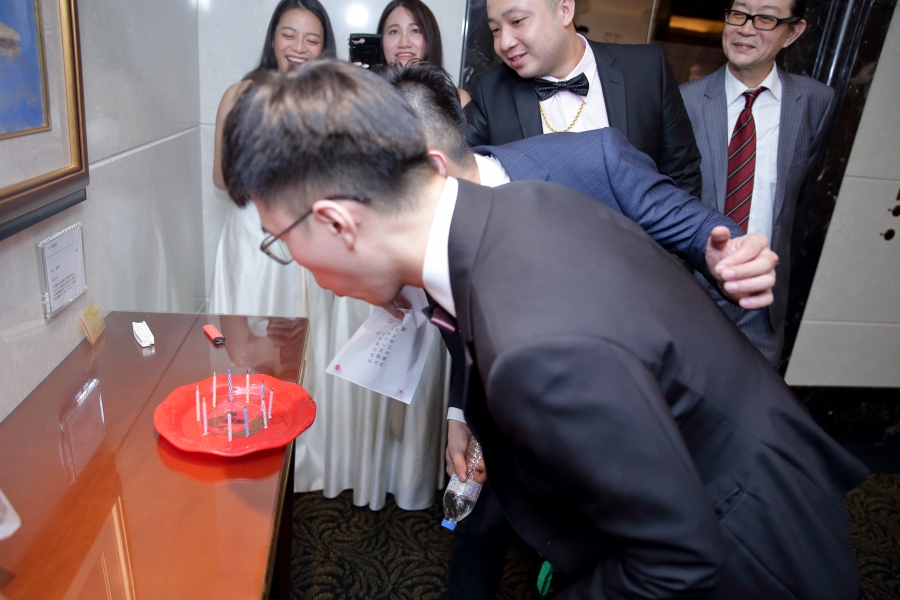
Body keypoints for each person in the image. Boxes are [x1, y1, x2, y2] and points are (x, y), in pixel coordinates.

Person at [221, 60, 866, 600]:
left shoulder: (535, 347)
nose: (296, 263)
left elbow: (676, 561)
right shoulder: (523, 202)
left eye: (282, 241)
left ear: (337, 223)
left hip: (753, 554)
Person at [382, 60, 779, 599]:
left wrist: (727, 255)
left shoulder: (594, 160)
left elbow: (696, 229)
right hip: (512, 427)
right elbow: (466, 337)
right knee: (480, 533)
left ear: (431, 169)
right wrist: (460, 414)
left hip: (621, 432)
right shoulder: (426, 237)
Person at [209, 1, 447, 510]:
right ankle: (250, 452)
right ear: (273, 37)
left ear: (325, 47)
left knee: (310, 350)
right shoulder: (241, 94)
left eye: (312, 39)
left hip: (312, 235)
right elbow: (221, 177)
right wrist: (274, 181)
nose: (299, 47)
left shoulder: (328, 102)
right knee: (251, 344)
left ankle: (307, 457)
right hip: (255, 235)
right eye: (289, 34)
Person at [680, 0, 834, 365]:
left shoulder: (815, 101)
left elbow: (801, 191)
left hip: (763, 300)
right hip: (690, 290)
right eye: (739, 13)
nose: (746, 29)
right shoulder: (684, 100)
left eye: (765, 18)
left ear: (792, 32)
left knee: (755, 397)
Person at [464, 0, 702, 197]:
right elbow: (453, 160)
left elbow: (682, 173)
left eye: (517, 21)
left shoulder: (646, 69)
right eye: (495, 30)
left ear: (565, 10)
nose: (504, 43)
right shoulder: (491, 90)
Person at [376, 0, 472, 106]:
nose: (404, 43)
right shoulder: (368, 98)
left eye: (415, 31)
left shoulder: (457, 100)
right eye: (394, 32)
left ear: (430, 37)